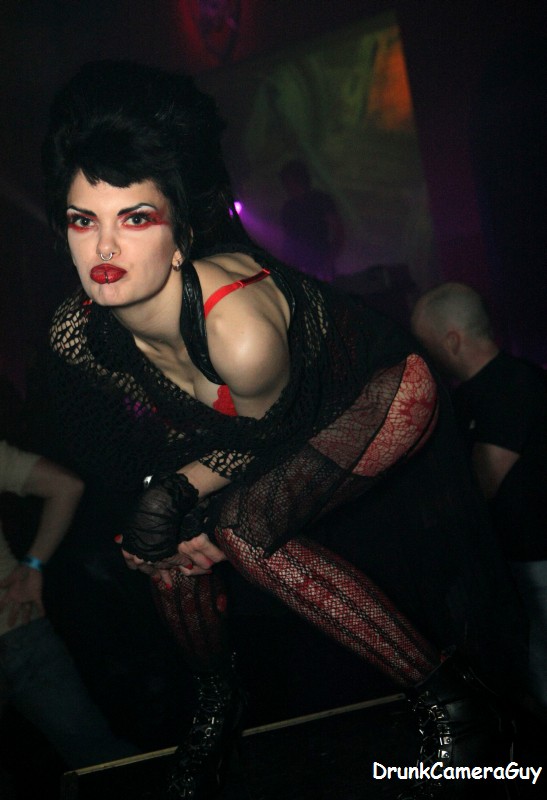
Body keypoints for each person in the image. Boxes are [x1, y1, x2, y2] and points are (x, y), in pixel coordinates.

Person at [41, 61, 527, 800]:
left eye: (135, 218)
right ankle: (217, 703)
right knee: (163, 539)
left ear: (180, 236)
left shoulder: (237, 330)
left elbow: (276, 437)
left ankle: (457, 705)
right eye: (84, 220)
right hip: (263, 431)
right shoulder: (79, 336)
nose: (104, 249)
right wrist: (154, 520)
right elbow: (145, 452)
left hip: (376, 393)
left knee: (243, 527)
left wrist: (184, 498)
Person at [411, 282, 547, 709]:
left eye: (427, 345)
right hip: (509, 563)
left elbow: (481, 483)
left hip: (537, 562)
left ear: (452, 340)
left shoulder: (513, 384)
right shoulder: (466, 396)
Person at [0, 439, 139, 773]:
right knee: (101, 758)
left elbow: (67, 486)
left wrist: (33, 565)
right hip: (19, 626)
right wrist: (33, 564)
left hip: (19, 624)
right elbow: (66, 485)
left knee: (101, 760)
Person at [279, 159, 344, 281]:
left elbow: (339, 232)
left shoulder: (320, 200)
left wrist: (328, 262)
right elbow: (287, 240)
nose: (286, 186)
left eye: (289, 181)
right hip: (297, 268)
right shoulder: (288, 208)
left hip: (321, 266)